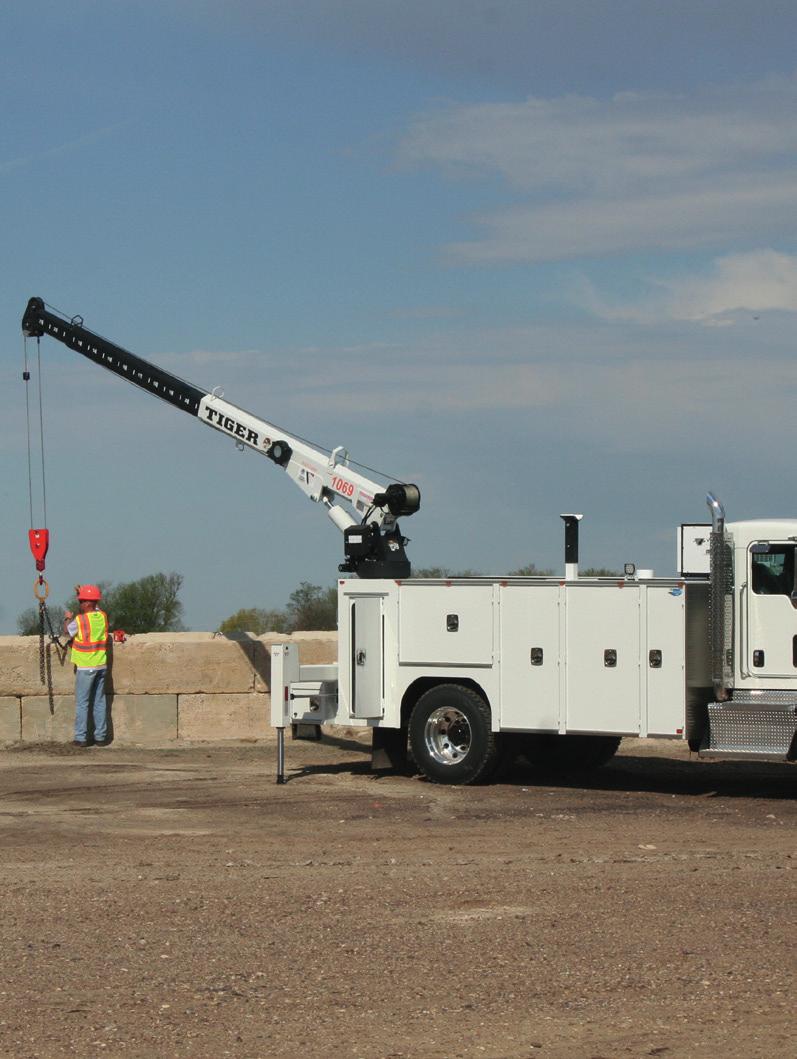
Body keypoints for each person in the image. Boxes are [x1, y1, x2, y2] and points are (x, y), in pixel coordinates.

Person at [63, 584, 110, 747]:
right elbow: (96, 609)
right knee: (99, 701)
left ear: (88, 603)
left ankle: (81, 737)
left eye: (82, 601)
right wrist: (81, 593)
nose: (80, 604)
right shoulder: (102, 616)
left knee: (83, 702)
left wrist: (68, 617)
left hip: (86, 666)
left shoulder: (80, 619)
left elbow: (67, 631)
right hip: (101, 665)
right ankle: (101, 737)